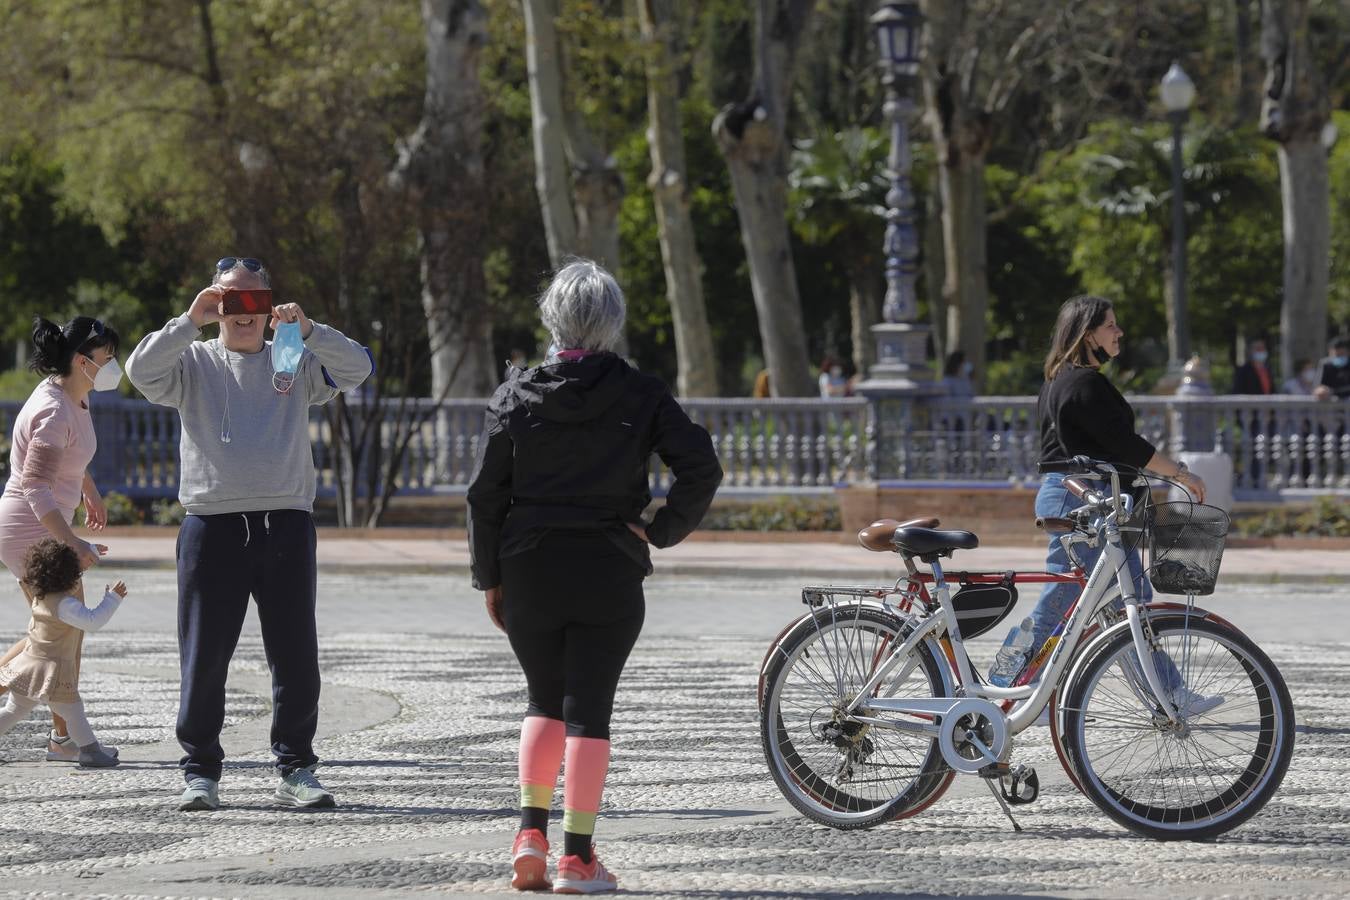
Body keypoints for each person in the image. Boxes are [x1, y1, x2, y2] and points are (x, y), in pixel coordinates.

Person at [468, 259, 722, 894]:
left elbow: (483, 496)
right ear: (613, 321)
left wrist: (489, 575)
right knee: (589, 711)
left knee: (542, 700)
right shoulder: (641, 393)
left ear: (552, 318)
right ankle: (577, 859)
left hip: (529, 566)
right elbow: (701, 468)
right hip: (609, 563)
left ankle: (529, 832)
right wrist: (660, 530)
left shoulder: (517, 394)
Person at [125, 256, 373, 812]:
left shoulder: (290, 356)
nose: (243, 312)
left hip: (285, 522)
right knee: (205, 655)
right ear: (216, 303)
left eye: (255, 301)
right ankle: (200, 772)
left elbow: (357, 369)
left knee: (294, 654)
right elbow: (140, 374)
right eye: (231, 300)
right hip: (211, 525)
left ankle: (296, 767)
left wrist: (306, 330)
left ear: (270, 306)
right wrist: (189, 321)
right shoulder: (193, 359)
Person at [991, 295, 1220, 716]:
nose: (1119, 333)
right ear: (1087, 332)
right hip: (1083, 501)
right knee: (1064, 600)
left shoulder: (1062, 380)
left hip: (1099, 501)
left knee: (1127, 604)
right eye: (1110, 325)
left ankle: (1166, 694)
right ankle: (1002, 686)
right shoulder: (1083, 384)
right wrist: (1181, 473)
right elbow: (1126, 446)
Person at [0, 315, 121, 762]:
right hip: (31, 529)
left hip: (39, 524)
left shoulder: (72, 395)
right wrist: (73, 542)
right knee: (58, 635)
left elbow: (71, 457)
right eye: (106, 356)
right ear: (80, 360)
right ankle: (66, 739)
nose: (112, 364)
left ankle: (64, 737)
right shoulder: (53, 409)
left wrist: (89, 491)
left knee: (57, 633)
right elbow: (35, 486)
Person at [0, 539, 123, 767]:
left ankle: (88, 749)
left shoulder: (42, 596)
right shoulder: (66, 605)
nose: (80, 576)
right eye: (77, 572)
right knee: (73, 710)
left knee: (14, 710)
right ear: (67, 576)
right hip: (52, 671)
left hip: (28, 665)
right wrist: (113, 599)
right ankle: (89, 750)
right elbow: (93, 621)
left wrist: (90, 553)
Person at [1315, 337, 1350, 401]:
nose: (1339, 357)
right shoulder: (1325, 364)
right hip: (1329, 402)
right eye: (1336, 355)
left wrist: (1333, 391)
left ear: (1348, 353)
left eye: (1342, 354)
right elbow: (1318, 386)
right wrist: (1321, 391)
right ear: (1330, 353)